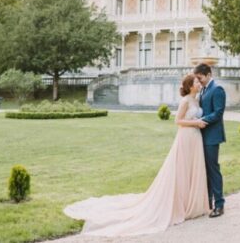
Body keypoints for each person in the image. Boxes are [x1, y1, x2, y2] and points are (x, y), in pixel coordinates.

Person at [63, 74, 210, 237]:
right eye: (196, 81)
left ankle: (191, 203)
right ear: (190, 86)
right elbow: (178, 121)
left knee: (192, 169)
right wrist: (196, 123)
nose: (199, 82)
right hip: (186, 137)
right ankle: (180, 205)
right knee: (182, 170)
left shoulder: (197, 100)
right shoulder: (186, 101)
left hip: (195, 138)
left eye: (199, 80)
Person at [193, 63, 226, 218]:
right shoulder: (204, 89)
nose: (199, 82)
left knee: (213, 170)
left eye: (200, 78)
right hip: (202, 134)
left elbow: (218, 113)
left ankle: (219, 205)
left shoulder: (217, 89)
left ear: (208, 74)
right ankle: (208, 203)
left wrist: (201, 120)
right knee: (205, 171)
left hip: (212, 136)